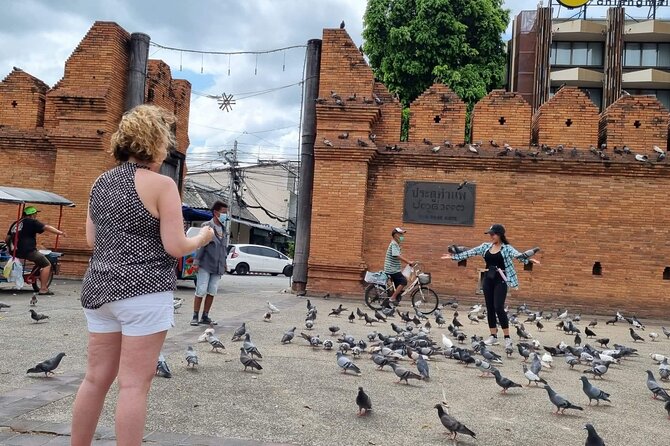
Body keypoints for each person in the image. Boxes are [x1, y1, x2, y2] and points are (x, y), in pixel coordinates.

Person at [70, 104, 214, 446]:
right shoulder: (162, 185)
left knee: (94, 379)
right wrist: (204, 237)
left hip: (98, 290)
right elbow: (176, 245)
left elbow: (92, 240)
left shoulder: (100, 183)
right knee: (134, 384)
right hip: (143, 292)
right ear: (155, 142)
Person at [441, 224, 540, 349]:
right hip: (488, 279)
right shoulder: (485, 247)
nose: (491, 236)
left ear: (500, 235)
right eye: (490, 234)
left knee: (498, 307)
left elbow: (518, 256)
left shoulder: (507, 248)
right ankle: (493, 336)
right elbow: (470, 252)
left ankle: (507, 338)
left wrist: (529, 260)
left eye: (493, 234)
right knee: (490, 307)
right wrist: (454, 257)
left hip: (501, 279)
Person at [5, 206, 65, 295]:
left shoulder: (16, 223)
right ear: (32, 214)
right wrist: (60, 233)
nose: (36, 215)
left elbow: (7, 238)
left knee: (39, 259)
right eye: (35, 214)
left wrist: (12, 247)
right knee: (46, 264)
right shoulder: (31, 222)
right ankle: (43, 289)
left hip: (15, 251)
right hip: (28, 251)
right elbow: (46, 227)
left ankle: (36, 275)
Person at [191, 200, 228, 326]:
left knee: (212, 291)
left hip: (218, 265)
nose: (225, 215)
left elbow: (223, 248)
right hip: (205, 264)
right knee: (201, 289)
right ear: (215, 212)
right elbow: (201, 245)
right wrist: (196, 261)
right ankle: (195, 316)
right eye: (223, 213)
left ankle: (205, 316)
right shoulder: (207, 226)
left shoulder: (224, 229)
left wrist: (225, 262)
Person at [384, 227, 415, 305]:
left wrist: (408, 261)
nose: (402, 236)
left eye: (402, 234)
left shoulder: (396, 244)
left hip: (394, 268)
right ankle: (392, 298)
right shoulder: (394, 244)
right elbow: (396, 255)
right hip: (391, 269)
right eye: (400, 234)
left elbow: (398, 255)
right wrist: (408, 261)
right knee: (403, 281)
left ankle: (390, 302)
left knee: (398, 285)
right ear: (395, 235)